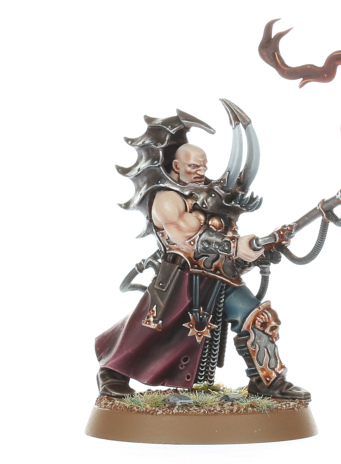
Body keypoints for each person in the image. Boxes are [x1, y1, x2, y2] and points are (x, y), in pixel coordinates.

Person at [95, 105, 310, 401]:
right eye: (194, 166)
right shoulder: (166, 198)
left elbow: (233, 248)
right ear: (176, 166)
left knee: (257, 317)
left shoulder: (212, 199)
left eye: (204, 166)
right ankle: (112, 373)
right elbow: (188, 237)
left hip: (220, 276)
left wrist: (261, 252)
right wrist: (234, 246)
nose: (202, 172)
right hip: (180, 279)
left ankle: (267, 382)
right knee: (149, 331)